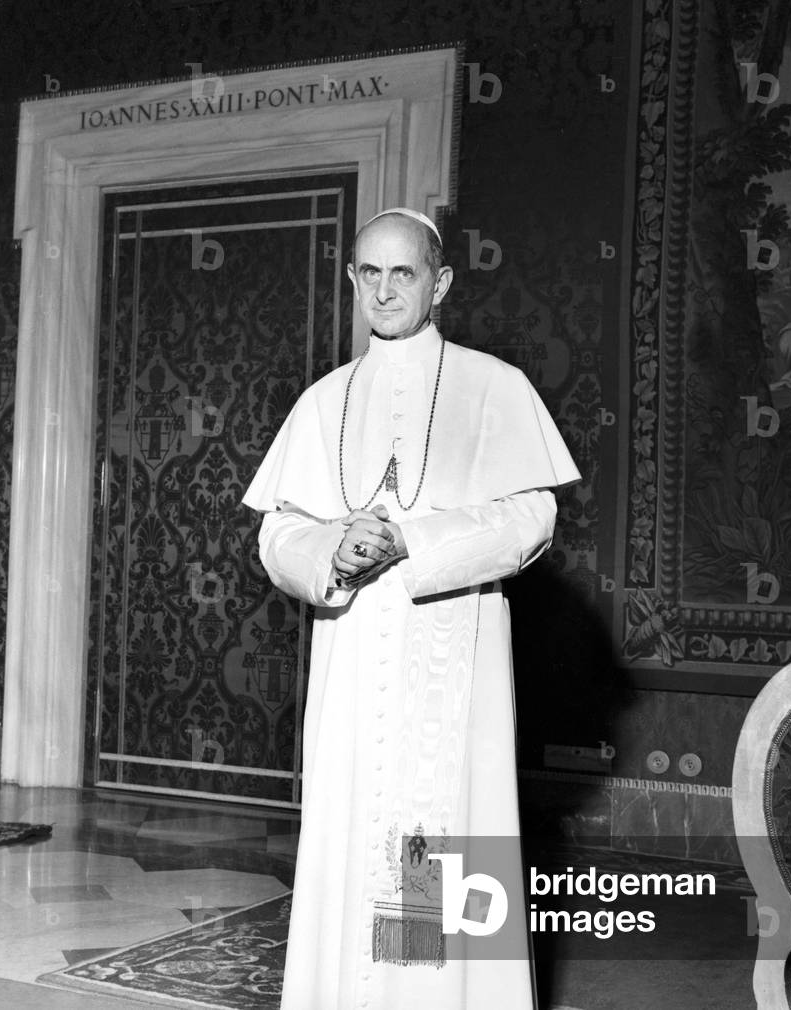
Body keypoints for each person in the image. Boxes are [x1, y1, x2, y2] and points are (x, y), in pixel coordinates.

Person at [242, 207, 580, 1010]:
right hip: (355, 658)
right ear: (353, 281)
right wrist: (332, 549)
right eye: (370, 273)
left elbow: (532, 519)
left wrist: (412, 543)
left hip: (449, 657)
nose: (385, 290)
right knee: (360, 836)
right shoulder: (324, 401)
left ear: (441, 283)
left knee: (432, 844)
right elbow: (276, 531)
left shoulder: (495, 388)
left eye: (405, 273)